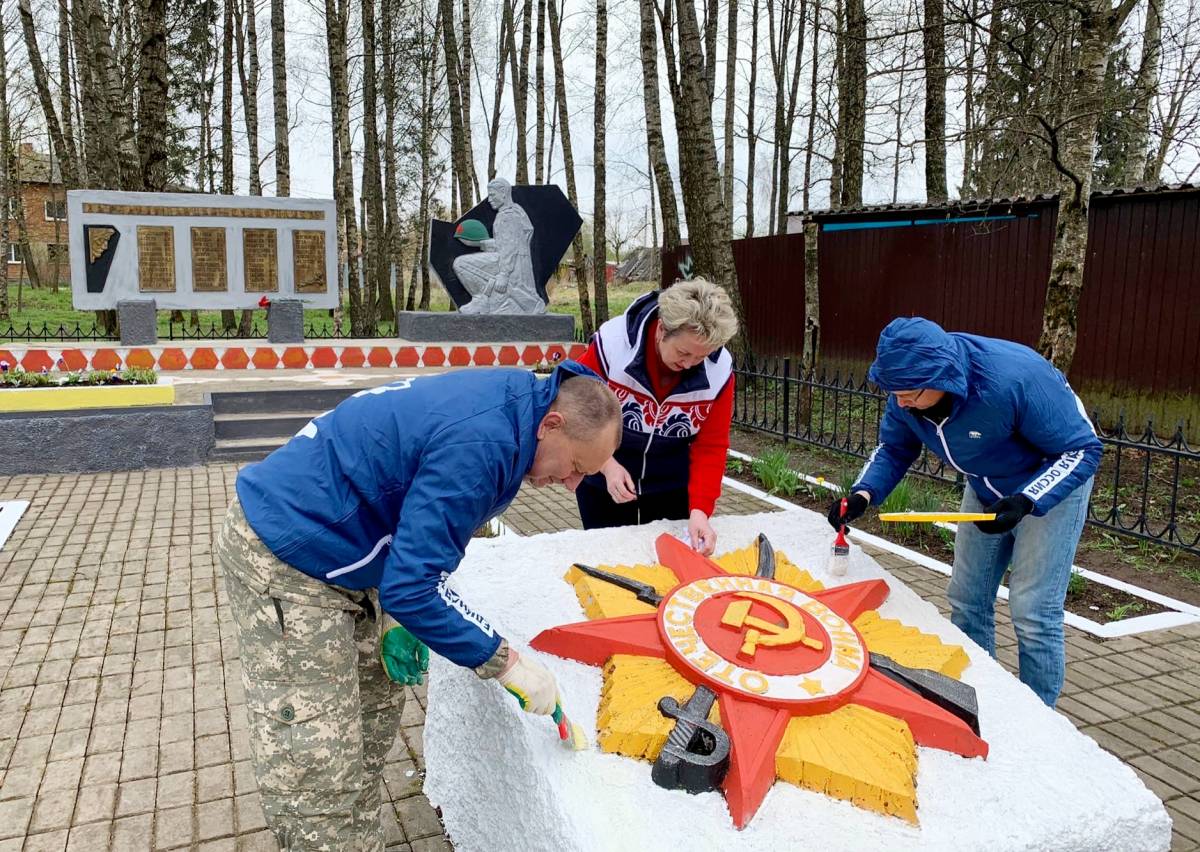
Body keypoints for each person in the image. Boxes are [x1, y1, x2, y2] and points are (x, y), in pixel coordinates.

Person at [215, 363, 620, 850]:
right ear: (552, 426)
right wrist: (505, 662)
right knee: (316, 761)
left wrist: (393, 605)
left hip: (350, 549)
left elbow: (422, 514)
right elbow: (415, 586)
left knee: (374, 716)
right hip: (290, 553)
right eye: (576, 466)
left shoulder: (523, 407)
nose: (573, 484)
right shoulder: (485, 446)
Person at [826, 317, 1101, 707]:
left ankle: (1041, 718)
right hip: (987, 484)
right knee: (967, 596)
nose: (899, 401)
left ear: (940, 377)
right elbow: (894, 448)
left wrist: (1027, 500)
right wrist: (862, 495)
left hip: (1050, 486)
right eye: (893, 392)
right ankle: (978, 698)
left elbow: (1081, 450)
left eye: (907, 393)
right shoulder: (908, 391)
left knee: (1032, 611)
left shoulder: (1013, 379)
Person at [574, 278, 739, 556]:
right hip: (605, 480)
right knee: (611, 563)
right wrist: (605, 463)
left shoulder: (719, 371)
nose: (689, 364)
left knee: (666, 566)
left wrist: (700, 510)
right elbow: (576, 408)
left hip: (672, 486)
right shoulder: (612, 344)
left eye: (701, 357)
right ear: (662, 330)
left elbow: (711, 446)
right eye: (684, 352)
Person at [453, 178, 544, 315]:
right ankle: (490, 300)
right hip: (511, 262)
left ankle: (481, 300)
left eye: (492, 195)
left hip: (510, 266)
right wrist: (479, 243)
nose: (489, 199)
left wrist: (504, 274)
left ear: (503, 192)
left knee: (460, 264)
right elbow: (505, 244)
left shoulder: (508, 216)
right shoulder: (515, 212)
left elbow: (510, 248)